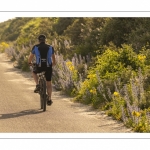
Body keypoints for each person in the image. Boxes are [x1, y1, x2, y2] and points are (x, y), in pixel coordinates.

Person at [28, 34, 56, 105]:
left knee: (34, 72)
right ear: (45, 40)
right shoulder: (50, 47)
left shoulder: (35, 47)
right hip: (48, 67)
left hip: (39, 67)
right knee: (49, 83)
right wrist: (52, 64)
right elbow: (54, 60)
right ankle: (49, 99)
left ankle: (37, 85)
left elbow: (31, 57)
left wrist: (29, 62)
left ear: (39, 40)